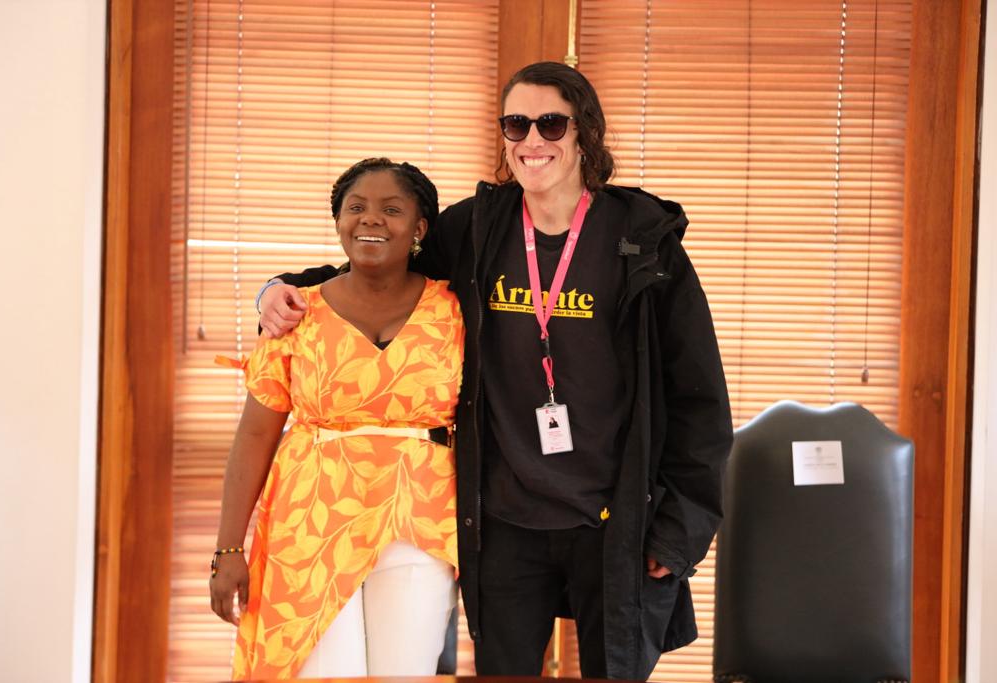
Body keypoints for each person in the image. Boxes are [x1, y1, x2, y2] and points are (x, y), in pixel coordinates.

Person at [257, 62, 733, 679]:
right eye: (516, 124)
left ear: (584, 132)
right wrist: (281, 286)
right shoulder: (477, 228)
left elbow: (699, 396)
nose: (532, 140)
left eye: (550, 123)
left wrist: (680, 530)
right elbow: (381, 271)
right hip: (506, 522)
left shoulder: (641, 239)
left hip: (614, 521)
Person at [209, 159, 464, 680]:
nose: (370, 220)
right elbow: (255, 433)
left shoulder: (457, 309)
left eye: (391, 209)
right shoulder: (294, 313)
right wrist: (228, 548)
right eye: (356, 208)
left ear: (419, 228)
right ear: (339, 221)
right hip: (309, 526)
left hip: (420, 525)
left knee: (405, 674)